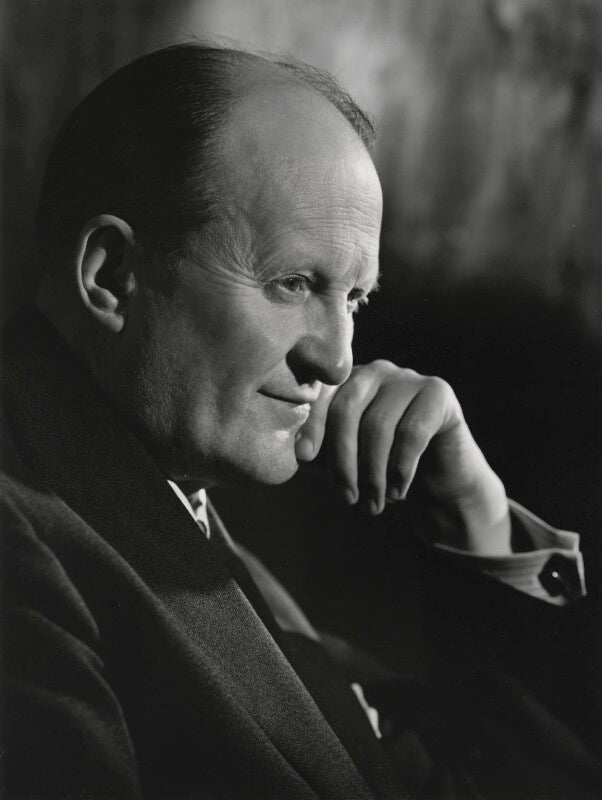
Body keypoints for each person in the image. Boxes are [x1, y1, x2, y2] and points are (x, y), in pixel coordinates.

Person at [0, 43, 598, 799]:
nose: (338, 359)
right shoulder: (24, 545)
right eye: (292, 283)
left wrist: (477, 522)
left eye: (355, 298)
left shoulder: (188, 519)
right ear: (112, 274)